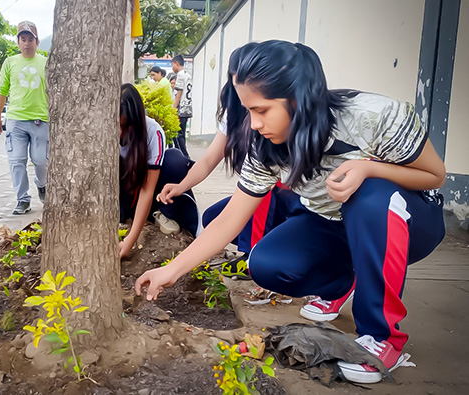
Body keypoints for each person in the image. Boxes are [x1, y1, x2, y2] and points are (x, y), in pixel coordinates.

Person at [136, 40, 445, 385]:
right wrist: (171, 271)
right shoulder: (265, 145)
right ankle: (352, 279)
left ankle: (383, 337)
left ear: (298, 97)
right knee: (266, 264)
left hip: (410, 221)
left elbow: (434, 175)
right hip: (332, 224)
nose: (253, 124)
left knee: (369, 195)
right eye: (247, 111)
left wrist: (370, 169)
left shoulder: (373, 117)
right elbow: (231, 218)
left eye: (262, 110)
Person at [157, 79, 299, 277]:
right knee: (213, 217)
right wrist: (181, 186)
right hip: (256, 190)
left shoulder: (274, 121)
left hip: (286, 197)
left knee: (265, 194)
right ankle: (266, 249)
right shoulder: (232, 117)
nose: (256, 121)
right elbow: (208, 161)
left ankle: (253, 255)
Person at [119, 84, 200, 258]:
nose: (120, 132)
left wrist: (131, 240)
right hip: (121, 195)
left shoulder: (152, 131)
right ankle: (124, 215)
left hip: (148, 193)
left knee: (175, 159)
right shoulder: (99, 133)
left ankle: (163, 214)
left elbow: (147, 189)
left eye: (125, 126)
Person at [0, 21, 48, 215]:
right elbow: (2, 90)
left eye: (30, 39)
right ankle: (22, 199)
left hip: (41, 119)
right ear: (18, 42)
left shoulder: (45, 62)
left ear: (37, 41)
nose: (27, 43)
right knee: (17, 160)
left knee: (41, 160)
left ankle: (42, 185)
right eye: (23, 39)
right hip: (16, 119)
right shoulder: (10, 62)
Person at [171, 55, 193, 159]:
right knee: (182, 134)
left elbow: (179, 92)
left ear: (177, 64)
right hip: (187, 107)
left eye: (172, 65)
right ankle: (183, 154)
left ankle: (183, 155)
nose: (172, 68)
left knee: (178, 134)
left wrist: (174, 107)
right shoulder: (188, 75)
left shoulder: (180, 75)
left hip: (181, 108)